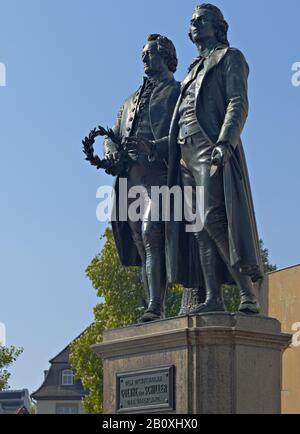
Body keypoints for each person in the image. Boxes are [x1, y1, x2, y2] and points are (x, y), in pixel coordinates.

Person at [166, 4, 263, 314]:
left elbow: (238, 103)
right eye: (192, 21)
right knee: (198, 227)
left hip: (210, 147)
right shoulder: (191, 69)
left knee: (212, 218)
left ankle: (249, 294)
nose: (195, 25)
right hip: (184, 153)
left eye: (202, 20)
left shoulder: (231, 57)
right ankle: (213, 298)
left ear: (219, 26)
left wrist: (226, 141)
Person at [104, 34, 180, 322]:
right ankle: (152, 306)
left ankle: (155, 307)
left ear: (166, 56)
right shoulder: (128, 101)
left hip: (160, 176)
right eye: (143, 56)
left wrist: (154, 146)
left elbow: (184, 134)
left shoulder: (177, 92)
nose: (145, 59)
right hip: (131, 181)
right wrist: (110, 150)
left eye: (150, 54)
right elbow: (112, 136)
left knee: (152, 235)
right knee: (140, 242)